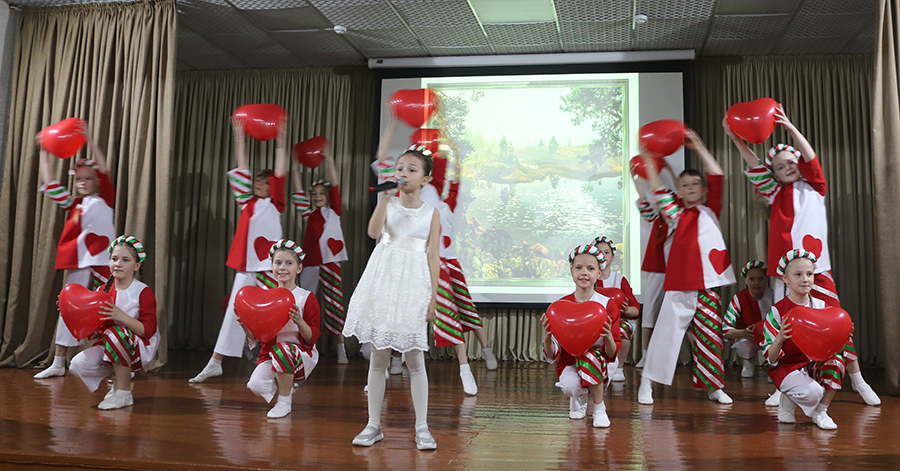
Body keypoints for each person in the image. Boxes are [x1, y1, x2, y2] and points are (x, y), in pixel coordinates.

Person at [725, 108, 880, 406]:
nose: (787, 167)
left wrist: (790, 127)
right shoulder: (774, 194)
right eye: (780, 166)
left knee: (839, 325)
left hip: (818, 271)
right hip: (785, 276)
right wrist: (736, 139)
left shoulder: (815, 188)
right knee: (785, 330)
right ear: (774, 174)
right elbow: (754, 164)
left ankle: (858, 379)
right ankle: (783, 386)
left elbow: (809, 156)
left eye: (791, 163)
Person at [343, 144, 441, 451]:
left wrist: (433, 297)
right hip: (383, 278)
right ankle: (373, 425)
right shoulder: (388, 203)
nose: (403, 174)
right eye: (400, 168)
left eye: (412, 170)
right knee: (379, 356)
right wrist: (384, 199)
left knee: (414, 358)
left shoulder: (431, 213)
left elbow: (433, 257)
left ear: (425, 179)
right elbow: (374, 233)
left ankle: (422, 427)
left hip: (413, 284)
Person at [638, 131, 736, 406]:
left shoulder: (710, 210)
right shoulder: (676, 215)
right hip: (680, 285)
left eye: (696, 184)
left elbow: (716, 174)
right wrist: (648, 159)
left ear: (703, 190)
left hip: (708, 286)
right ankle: (646, 383)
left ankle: (715, 387)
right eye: (685, 185)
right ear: (679, 192)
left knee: (709, 338)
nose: (691, 187)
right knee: (666, 337)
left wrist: (699, 147)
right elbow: (659, 191)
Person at [190, 117, 287, 383]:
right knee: (235, 310)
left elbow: (280, 173)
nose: (260, 183)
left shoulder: (276, 204)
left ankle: (281, 362)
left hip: (270, 267)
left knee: (276, 313)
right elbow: (242, 168)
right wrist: (240, 138)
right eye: (258, 180)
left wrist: (280, 141)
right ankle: (215, 362)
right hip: (248, 266)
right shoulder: (247, 201)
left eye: (265, 182)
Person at [34, 126, 115, 379]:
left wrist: (90, 139)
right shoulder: (73, 204)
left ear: (96, 181)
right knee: (69, 308)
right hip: (79, 262)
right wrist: (44, 152)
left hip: (104, 262)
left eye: (88, 178)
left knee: (112, 307)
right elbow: (50, 184)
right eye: (78, 179)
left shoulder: (106, 197)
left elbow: (103, 169)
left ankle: (118, 360)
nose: (82, 182)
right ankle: (59, 362)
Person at [419, 150, 498, 396]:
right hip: (422, 264)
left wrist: (455, 157)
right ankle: (396, 359)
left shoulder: (446, 206)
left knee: (463, 310)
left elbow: (454, 183)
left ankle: (483, 352)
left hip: (448, 264)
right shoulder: (417, 209)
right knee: (412, 312)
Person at [69, 236, 159, 410]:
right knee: (78, 364)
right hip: (111, 343)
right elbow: (96, 331)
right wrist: (72, 312)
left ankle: (124, 392)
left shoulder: (142, 291)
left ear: (136, 266)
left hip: (139, 346)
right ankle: (117, 382)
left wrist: (122, 317)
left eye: (125, 260)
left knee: (115, 333)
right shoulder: (101, 291)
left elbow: (148, 330)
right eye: (114, 259)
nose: (118, 264)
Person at [761, 250, 847, 430]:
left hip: (812, 362)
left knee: (838, 363)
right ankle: (787, 398)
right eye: (798, 275)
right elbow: (771, 358)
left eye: (809, 274)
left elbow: (836, 351)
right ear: (785, 279)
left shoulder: (822, 307)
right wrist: (780, 338)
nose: (805, 279)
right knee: (814, 392)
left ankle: (821, 412)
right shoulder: (777, 311)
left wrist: (842, 336)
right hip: (786, 367)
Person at [541, 244, 621, 428]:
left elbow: (611, 353)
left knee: (590, 355)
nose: (584, 273)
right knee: (569, 385)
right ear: (571, 271)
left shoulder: (607, 305)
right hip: (570, 362)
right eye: (579, 267)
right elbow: (553, 354)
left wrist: (608, 336)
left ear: (599, 273)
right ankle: (579, 398)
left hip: (601, 362)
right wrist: (546, 337)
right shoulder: (560, 306)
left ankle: (599, 408)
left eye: (590, 268)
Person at [243, 240, 320, 418]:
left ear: (299, 268)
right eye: (278, 263)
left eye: (288, 263)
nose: (282, 267)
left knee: (282, 349)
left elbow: (311, 338)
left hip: (301, 356)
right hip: (272, 354)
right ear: (271, 267)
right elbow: (257, 337)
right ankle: (284, 381)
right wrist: (245, 324)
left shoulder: (306, 297)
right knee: (255, 385)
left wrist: (299, 321)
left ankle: (284, 401)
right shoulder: (265, 297)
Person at [291, 149, 349, 364]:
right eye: (314, 194)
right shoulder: (309, 214)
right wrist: (295, 167)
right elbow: (298, 192)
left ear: (328, 197)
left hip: (331, 263)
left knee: (335, 304)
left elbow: (335, 185)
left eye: (321, 193)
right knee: (304, 303)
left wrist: (330, 160)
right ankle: (302, 345)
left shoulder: (334, 211)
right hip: (311, 264)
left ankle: (341, 347)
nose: (317, 196)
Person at [631, 173, 672, 369]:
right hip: (657, 270)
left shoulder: (678, 220)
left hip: (676, 272)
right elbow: (642, 200)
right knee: (649, 312)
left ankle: (695, 357)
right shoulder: (656, 219)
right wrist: (634, 179)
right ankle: (646, 356)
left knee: (681, 315)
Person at [591, 236, 639, 382]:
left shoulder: (619, 280)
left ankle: (618, 368)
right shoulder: (589, 279)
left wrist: (627, 310)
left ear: (612, 257)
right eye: (599, 252)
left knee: (622, 329)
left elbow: (635, 308)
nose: (603, 256)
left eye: (606, 252)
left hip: (618, 320)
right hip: (595, 320)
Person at [723, 261, 774, 379]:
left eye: (760, 279)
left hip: (771, 337)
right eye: (752, 279)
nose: (756, 283)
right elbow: (725, 329)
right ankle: (748, 361)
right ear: (745, 280)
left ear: (766, 279)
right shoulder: (738, 298)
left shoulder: (773, 296)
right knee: (744, 344)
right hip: (748, 338)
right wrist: (743, 333)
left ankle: (773, 366)